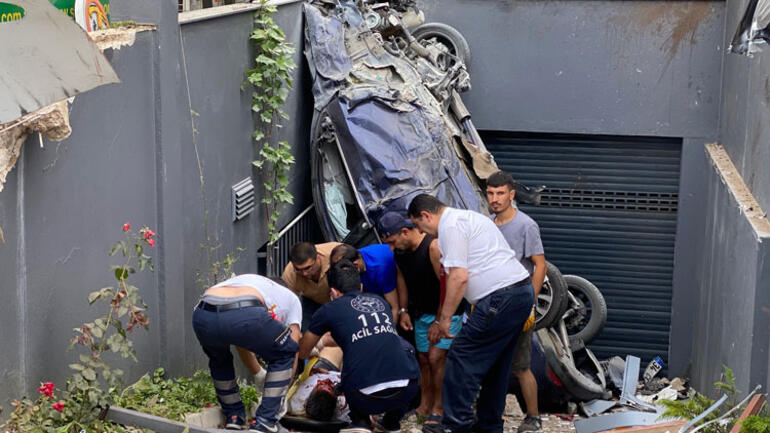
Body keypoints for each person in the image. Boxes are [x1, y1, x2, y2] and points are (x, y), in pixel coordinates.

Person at [407, 194, 533, 433]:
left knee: (460, 357)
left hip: (500, 298)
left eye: (418, 225)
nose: (421, 232)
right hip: (519, 293)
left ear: (426, 215)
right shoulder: (470, 218)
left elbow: (459, 276)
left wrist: (444, 320)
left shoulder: (450, 227)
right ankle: (489, 427)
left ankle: (455, 425)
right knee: (496, 366)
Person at [299, 260, 420, 433]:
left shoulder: (329, 309)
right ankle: (391, 423)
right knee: (401, 347)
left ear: (333, 292)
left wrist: (315, 348)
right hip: (407, 390)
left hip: (364, 397)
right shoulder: (379, 302)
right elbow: (364, 335)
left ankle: (360, 422)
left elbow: (303, 351)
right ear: (361, 287)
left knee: (353, 365)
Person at [378, 211, 463, 425]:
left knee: (437, 358)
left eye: (393, 241)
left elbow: (447, 285)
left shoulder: (432, 247)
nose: (391, 248)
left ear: (405, 232)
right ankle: (424, 405)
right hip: (421, 312)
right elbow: (401, 278)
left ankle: (439, 408)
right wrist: (403, 309)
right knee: (423, 359)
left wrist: (440, 320)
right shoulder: (400, 253)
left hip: (446, 312)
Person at [192, 274, 302, 432]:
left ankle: (234, 416)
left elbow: (242, 339)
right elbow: (293, 342)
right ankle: (265, 421)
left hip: (203, 315)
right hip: (245, 313)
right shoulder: (291, 299)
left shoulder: (248, 283)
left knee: (219, 360)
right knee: (286, 352)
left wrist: (258, 373)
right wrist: (281, 393)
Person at [486, 171, 546, 433]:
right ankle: (489, 417)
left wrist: (529, 301)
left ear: (511, 194)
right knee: (489, 364)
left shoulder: (526, 225)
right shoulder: (488, 224)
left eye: (500, 193)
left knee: (521, 366)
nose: (495, 199)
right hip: (490, 306)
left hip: (517, 304)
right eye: (490, 193)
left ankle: (533, 417)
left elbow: (540, 265)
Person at [329, 243, 400, 320]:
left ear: (355, 265)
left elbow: (394, 308)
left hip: (390, 282)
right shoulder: (352, 260)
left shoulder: (380, 269)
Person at [283, 242, 341, 329]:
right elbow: (289, 304)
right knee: (306, 329)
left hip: (341, 298)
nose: (304, 273)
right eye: (298, 269)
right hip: (312, 301)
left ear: (318, 258)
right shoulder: (290, 273)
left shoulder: (337, 254)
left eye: (307, 268)